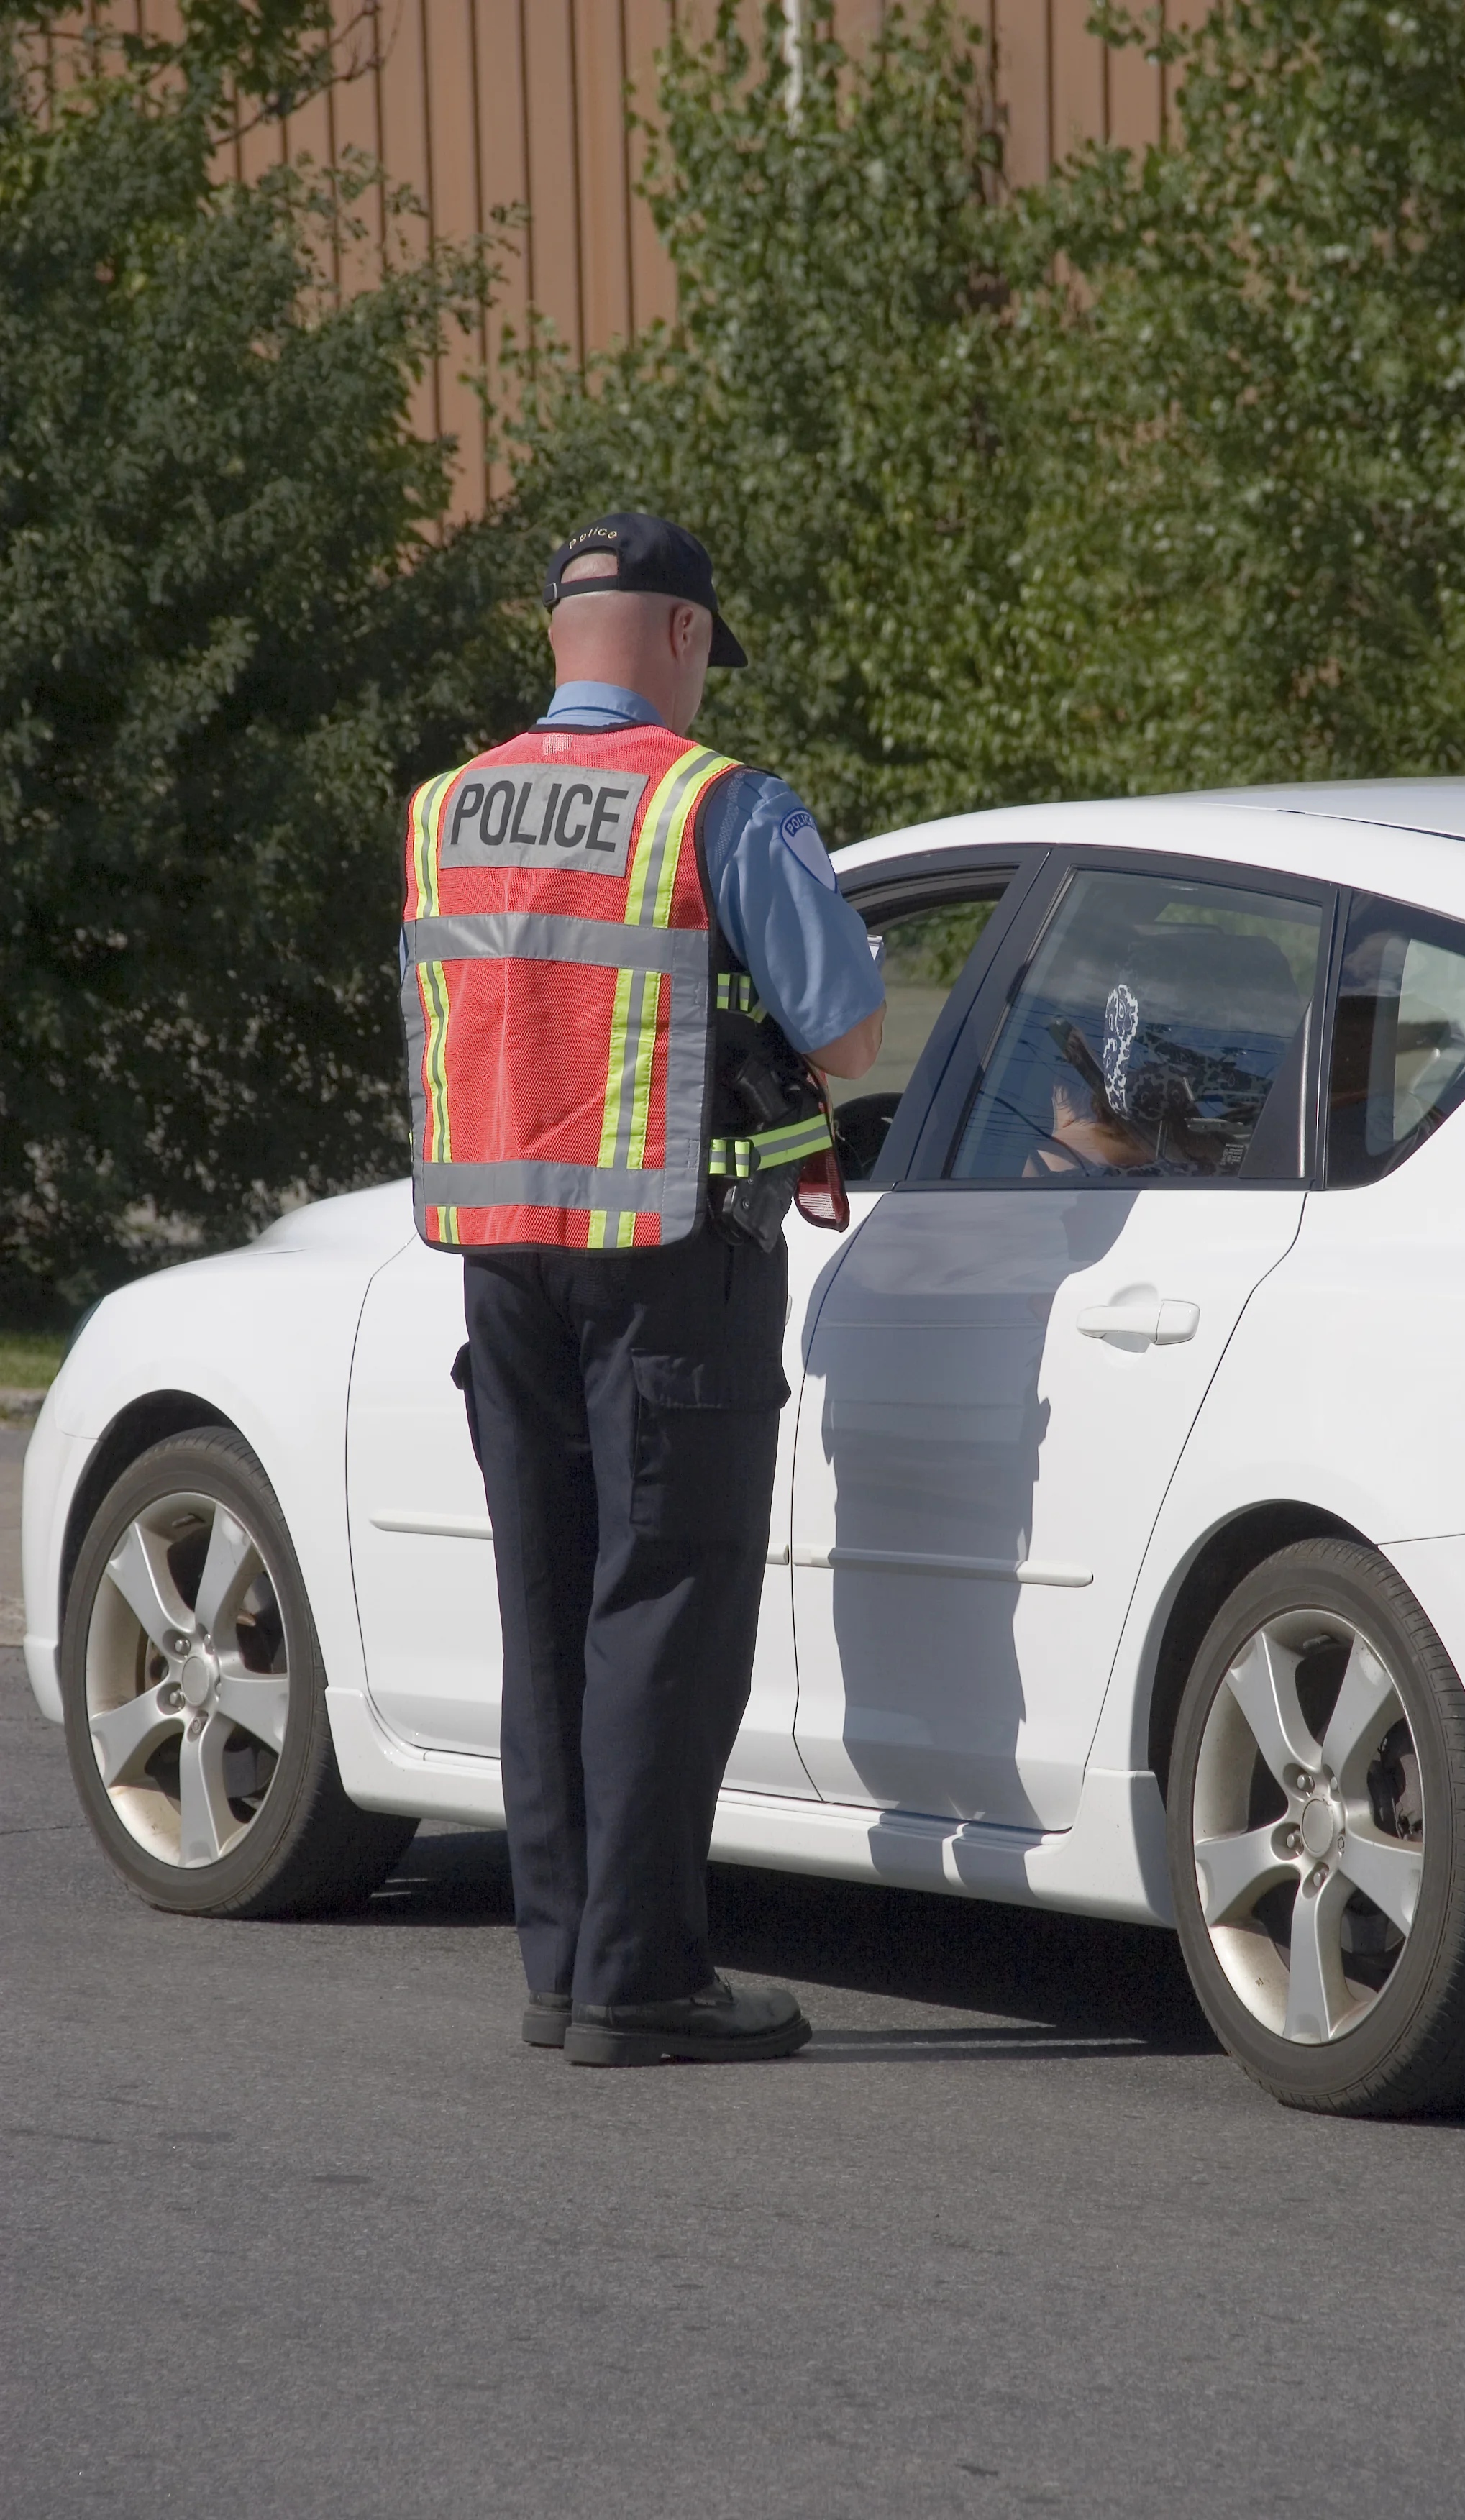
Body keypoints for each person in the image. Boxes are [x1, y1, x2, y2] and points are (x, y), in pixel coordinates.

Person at [400, 513, 884, 2065]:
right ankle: (645, 1981)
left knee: (544, 1605)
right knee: (663, 1607)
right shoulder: (711, 801)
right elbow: (853, 1030)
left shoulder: (445, 809)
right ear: (683, 636)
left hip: (498, 1257)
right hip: (673, 1258)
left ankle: (561, 1970)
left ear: (558, 637)